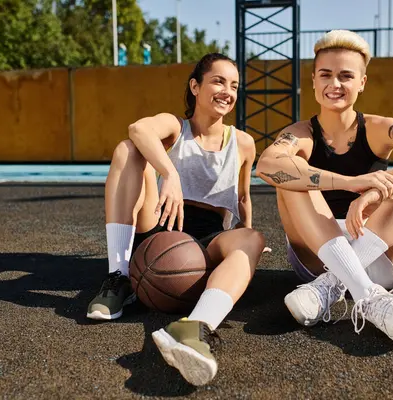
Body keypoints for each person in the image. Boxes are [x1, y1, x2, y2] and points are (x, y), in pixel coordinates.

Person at [255, 30, 393, 344]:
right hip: (317, 254)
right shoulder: (300, 134)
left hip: (381, 250)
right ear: (313, 80)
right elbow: (267, 166)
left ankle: (333, 284)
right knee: (292, 176)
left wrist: (380, 190)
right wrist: (351, 183)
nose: (334, 84)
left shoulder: (378, 128)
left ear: (362, 83)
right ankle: (369, 297)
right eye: (326, 75)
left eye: (346, 76)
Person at [87, 53, 265, 385]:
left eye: (234, 85)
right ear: (195, 86)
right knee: (128, 149)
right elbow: (138, 129)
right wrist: (169, 173)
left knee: (253, 239)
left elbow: (242, 198)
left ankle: (196, 326)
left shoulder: (243, 142)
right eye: (218, 81)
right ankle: (118, 277)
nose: (227, 91)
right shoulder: (175, 126)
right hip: (162, 223)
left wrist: (245, 238)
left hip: (207, 237)